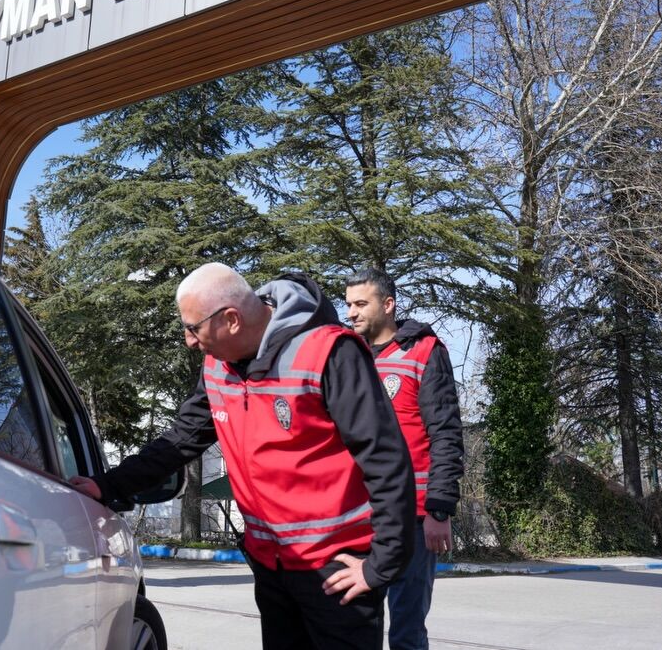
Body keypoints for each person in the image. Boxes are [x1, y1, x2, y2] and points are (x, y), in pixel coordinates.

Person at [71, 263, 415, 650]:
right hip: (272, 567)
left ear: (231, 319)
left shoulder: (328, 352)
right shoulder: (218, 366)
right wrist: (107, 485)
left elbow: (386, 460)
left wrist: (381, 565)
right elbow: (182, 439)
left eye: (193, 328)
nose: (189, 341)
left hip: (336, 572)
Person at [345, 268, 464, 650]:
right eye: (348, 305)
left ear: (388, 304)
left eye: (361, 304)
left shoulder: (425, 351)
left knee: (407, 632)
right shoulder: (346, 357)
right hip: (358, 517)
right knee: (355, 626)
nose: (351, 313)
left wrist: (439, 509)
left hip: (412, 519)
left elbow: (445, 433)